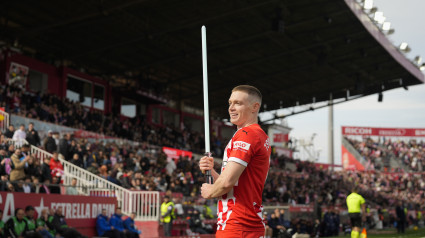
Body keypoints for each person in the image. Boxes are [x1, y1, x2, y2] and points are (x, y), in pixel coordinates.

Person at [199, 85, 271, 238]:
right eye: (230, 103)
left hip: (238, 224)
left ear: (255, 107)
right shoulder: (259, 135)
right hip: (246, 224)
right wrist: (211, 171)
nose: (231, 108)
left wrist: (210, 191)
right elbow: (232, 187)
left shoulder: (247, 134)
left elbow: (226, 183)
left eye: (238, 103)